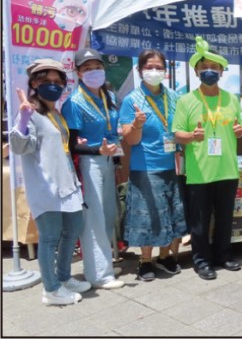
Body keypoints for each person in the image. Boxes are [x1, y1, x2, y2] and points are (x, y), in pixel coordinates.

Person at [9, 59, 91, 305]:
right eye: (46, 81)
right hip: (46, 187)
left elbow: (57, 144)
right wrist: (23, 120)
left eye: (58, 81)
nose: (53, 85)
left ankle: (63, 277)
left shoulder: (56, 112)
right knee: (49, 237)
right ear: (34, 83)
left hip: (67, 184)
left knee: (72, 230)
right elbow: (19, 147)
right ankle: (51, 289)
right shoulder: (30, 112)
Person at [173, 36, 242, 280]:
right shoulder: (186, 101)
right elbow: (177, 133)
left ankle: (223, 256)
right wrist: (191, 136)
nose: (209, 71)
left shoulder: (231, 98)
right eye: (204, 67)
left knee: (225, 218)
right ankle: (201, 261)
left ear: (221, 71)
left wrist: (241, 129)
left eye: (214, 67)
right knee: (200, 222)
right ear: (196, 71)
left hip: (227, 169)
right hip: (199, 172)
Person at [119, 49, 188, 281]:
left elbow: (180, 129)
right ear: (140, 70)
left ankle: (165, 256)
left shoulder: (174, 97)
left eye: (159, 67)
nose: (154, 71)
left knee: (172, 212)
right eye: (149, 67)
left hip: (172, 165)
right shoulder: (131, 100)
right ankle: (146, 260)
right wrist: (137, 124)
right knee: (147, 216)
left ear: (166, 71)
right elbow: (131, 140)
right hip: (145, 167)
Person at [62, 48, 125, 290]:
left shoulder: (108, 96)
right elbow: (71, 145)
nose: (94, 72)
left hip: (108, 160)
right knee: (94, 218)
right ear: (78, 73)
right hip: (90, 163)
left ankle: (103, 265)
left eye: (97, 67)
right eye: (87, 69)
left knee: (108, 214)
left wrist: (114, 158)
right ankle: (99, 275)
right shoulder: (74, 103)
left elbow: (113, 131)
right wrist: (98, 151)